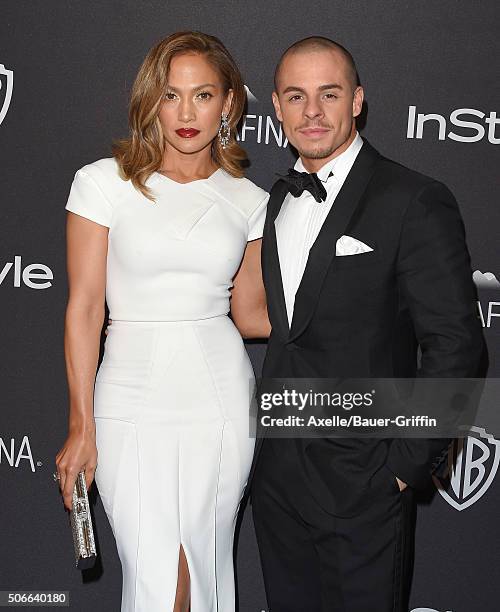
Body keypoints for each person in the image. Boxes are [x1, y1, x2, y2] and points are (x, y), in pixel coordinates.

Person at [245, 36, 486, 611]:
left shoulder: (414, 199)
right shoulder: (276, 200)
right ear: (276, 108)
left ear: (357, 101)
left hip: (366, 479)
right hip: (278, 481)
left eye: (328, 94)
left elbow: (456, 346)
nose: (312, 112)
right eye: (296, 96)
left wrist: (404, 466)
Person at [55, 31, 270, 612]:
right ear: (152, 100)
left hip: (219, 393)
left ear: (228, 104)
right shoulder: (102, 183)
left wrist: (358, 303)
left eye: (202, 96)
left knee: (203, 562)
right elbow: (84, 308)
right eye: (171, 95)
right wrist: (81, 423)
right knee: (155, 565)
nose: (185, 113)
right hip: (128, 391)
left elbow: (252, 314)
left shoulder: (250, 201)